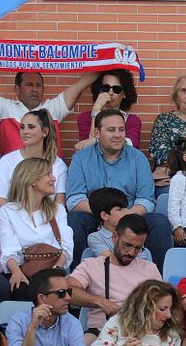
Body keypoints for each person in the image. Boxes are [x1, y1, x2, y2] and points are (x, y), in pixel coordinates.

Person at [66, 110, 169, 265]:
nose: (118, 135)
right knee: (74, 220)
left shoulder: (138, 158)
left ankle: (158, 282)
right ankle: (75, 279)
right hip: (95, 215)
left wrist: (125, 215)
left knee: (159, 222)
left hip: (130, 213)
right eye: (111, 130)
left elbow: (146, 200)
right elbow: (74, 200)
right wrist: (107, 214)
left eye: (121, 130)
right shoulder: (81, 158)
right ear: (97, 133)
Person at [66, 215, 161, 335]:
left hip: (139, 332)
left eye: (138, 248)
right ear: (115, 237)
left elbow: (163, 304)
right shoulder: (92, 265)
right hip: (101, 332)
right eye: (127, 245)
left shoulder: (150, 268)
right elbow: (67, 291)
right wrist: (100, 302)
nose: (132, 253)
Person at [0, 107, 67, 210]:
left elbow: (59, 203)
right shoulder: (7, 161)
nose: (25, 132)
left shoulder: (58, 164)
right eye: (22, 127)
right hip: (12, 220)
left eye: (31, 127)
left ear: (45, 132)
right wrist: (17, 220)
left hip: (47, 221)